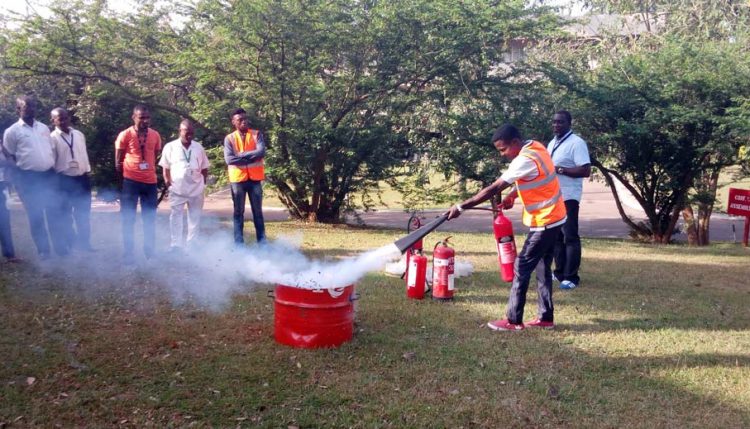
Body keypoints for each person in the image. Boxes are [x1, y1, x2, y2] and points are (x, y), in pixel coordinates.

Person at [448, 124, 567, 331]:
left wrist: (461, 206)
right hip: (555, 217)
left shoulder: (523, 159)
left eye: (503, 149)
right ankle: (546, 318)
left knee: (521, 267)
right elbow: (534, 177)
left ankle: (513, 321)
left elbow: (493, 188)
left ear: (515, 142)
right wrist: (513, 195)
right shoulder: (536, 147)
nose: (503, 154)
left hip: (545, 221)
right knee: (542, 268)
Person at [2, 95, 68, 259]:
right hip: (28, 179)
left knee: (54, 212)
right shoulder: (12, 132)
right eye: (27, 107)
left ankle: (60, 249)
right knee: (36, 215)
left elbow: (50, 150)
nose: (31, 110)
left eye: (33, 106)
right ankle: (44, 251)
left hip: (48, 175)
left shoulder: (44, 128)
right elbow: (9, 155)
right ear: (18, 109)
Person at [547, 111, 591, 290]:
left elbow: (585, 170)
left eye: (561, 122)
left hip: (569, 196)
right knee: (557, 236)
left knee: (570, 236)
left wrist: (560, 170)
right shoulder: (552, 142)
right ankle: (559, 272)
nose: (557, 125)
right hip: (554, 197)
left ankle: (572, 277)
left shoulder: (577, 143)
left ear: (569, 123)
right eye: (555, 122)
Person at [115, 105, 162, 261]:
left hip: (150, 182)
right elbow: (118, 161)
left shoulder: (155, 135)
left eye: (147, 117)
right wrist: (124, 182)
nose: (145, 121)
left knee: (149, 218)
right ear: (133, 117)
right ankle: (129, 253)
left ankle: (150, 252)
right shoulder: (125, 135)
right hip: (131, 182)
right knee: (128, 218)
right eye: (141, 117)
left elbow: (155, 154)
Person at [159, 119, 209, 252]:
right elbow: (166, 167)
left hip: (196, 188)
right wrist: (168, 182)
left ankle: (193, 242)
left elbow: (204, 167)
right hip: (177, 189)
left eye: (192, 132)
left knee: (195, 216)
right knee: (176, 216)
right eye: (187, 132)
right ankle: (176, 245)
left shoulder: (198, 147)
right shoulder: (170, 147)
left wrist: (202, 183)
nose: (190, 135)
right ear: (180, 131)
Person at [50, 107, 95, 252]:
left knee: (83, 214)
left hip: (82, 179)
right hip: (64, 181)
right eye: (59, 118)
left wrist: (87, 171)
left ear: (69, 118)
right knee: (66, 215)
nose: (63, 121)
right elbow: (52, 160)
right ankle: (71, 243)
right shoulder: (52, 138)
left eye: (65, 117)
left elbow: (84, 154)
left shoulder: (78, 134)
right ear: (53, 121)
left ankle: (85, 244)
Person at [223, 108, 266, 244]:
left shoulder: (256, 134)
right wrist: (250, 156)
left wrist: (241, 155)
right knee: (238, 213)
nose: (244, 122)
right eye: (240, 120)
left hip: (254, 180)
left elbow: (261, 152)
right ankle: (238, 244)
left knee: (258, 213)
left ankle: (262, 243)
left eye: (245, 119)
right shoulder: (229, 138)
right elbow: (229, 160)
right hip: (238, 180)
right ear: (233, 122)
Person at [0, 139, 21, 262]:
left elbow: (12, 163)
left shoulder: (2, 147)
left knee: (3, 221)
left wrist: (7, 158)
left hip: (1, 185)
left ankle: (9, 254)